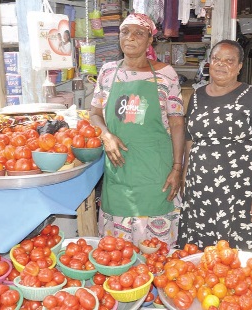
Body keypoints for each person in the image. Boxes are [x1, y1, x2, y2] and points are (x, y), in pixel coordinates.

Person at [90, 13, 185, 247]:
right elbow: (94, 114)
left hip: (156, 171)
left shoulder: (166, 74)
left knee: (156, 252)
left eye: (139, 33)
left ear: (150, 40)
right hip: (119, 170)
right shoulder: (108, 72)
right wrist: (106, 134)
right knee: (118, 253)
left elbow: (177, 123)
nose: (130, 38)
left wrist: (177, 168)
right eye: (125, 32)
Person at [177, 40, 252, 252]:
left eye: (229, 61)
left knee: (241, 257)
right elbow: (190, 142)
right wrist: (186, 178)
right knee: (202, 256)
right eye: (216, 59)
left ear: (240, 66)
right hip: (201, 191)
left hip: (239, 193)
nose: (221, 64)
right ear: (209, 62)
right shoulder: (197, 97)